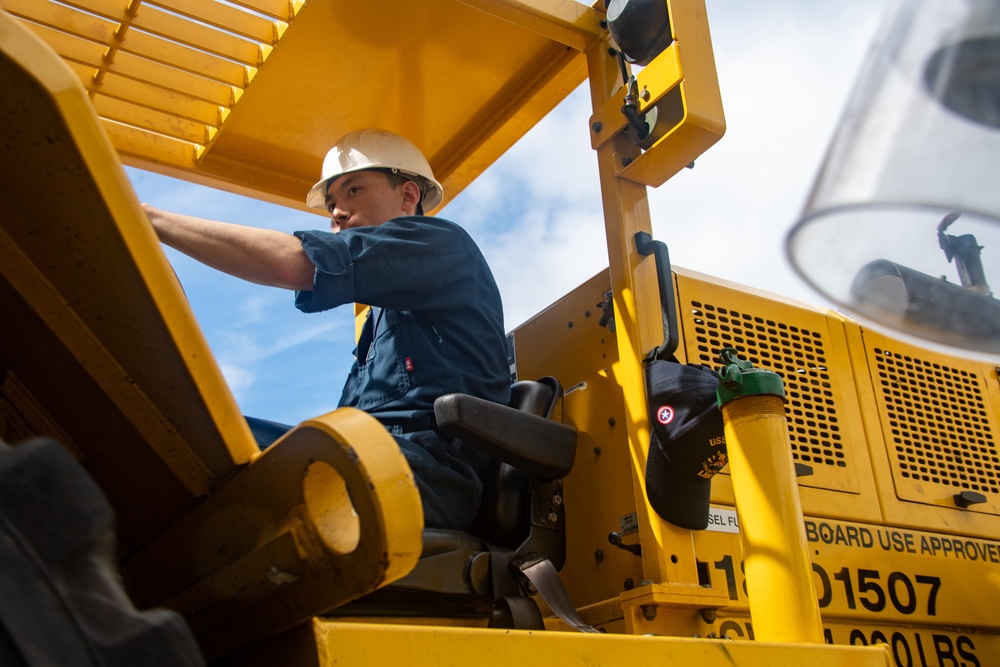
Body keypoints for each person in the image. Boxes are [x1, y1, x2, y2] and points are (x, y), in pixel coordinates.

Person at [143, 128, 511, 531]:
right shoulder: (380, 321)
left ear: (408, 196)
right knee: (198, 434)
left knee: (194, 440)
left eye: (353, 191)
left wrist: (151, 219)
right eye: (332, 203)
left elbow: (291, 264)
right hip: (375, 456)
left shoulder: (443, 245)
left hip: (425, 474)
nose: (335, 212)